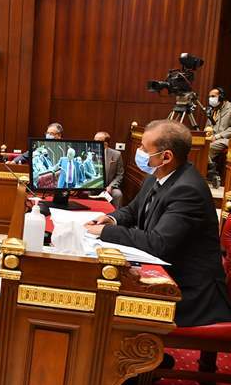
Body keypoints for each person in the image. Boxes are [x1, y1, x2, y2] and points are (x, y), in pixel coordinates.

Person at [85, 120, 231, 327]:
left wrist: (106, 231)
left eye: (144, 149)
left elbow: (158, 243)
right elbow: (133, 210)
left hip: (189, 292)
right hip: (165, 273)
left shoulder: (188, 190)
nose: (139, 152)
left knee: (106, 303)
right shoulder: (155, 177)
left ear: (166, 157)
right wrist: (111, 218)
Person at [206, 87, 231, 185]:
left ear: (221, 97)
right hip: (211, 138)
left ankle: (210, 171)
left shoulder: (230, 108)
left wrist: (217, 137)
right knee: (199, 145)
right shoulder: (212, 110)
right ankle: (210, 169)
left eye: (213, 96)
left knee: (207, 148)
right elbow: (208, 126)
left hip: (225, 139)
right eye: (209, 96)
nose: (210, 99)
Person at [94, 131, 124, 208]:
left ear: (105, 143)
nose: (94, 143)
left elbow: (119, 175)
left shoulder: (116, 154)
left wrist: (111, 186)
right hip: (93, 185)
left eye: (97, 141)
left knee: (118, 194)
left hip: (108, 186)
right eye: (94, 140)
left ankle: (116, 214)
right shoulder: (90, 153)